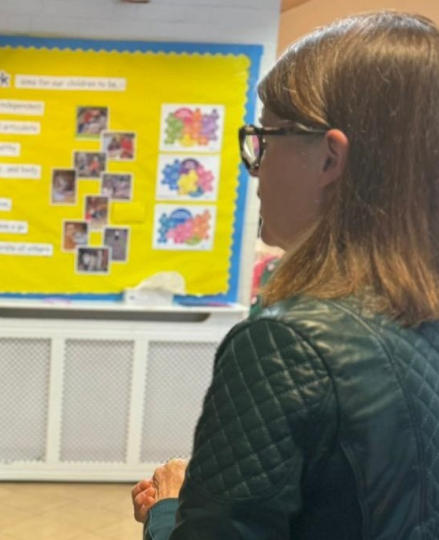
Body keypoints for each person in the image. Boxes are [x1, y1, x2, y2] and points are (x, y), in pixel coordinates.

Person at [132, 11, 439, 539]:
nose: (256, 165)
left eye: (264, 138)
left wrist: (172, 506)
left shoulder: (287, 342)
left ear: (329, 158)